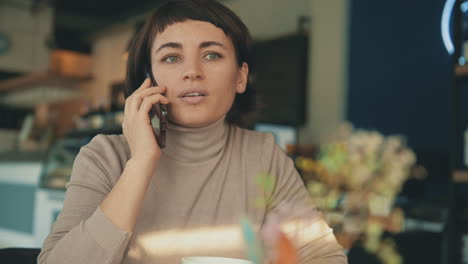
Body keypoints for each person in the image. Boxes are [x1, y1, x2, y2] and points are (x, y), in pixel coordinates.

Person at [38, 0, 347, 263]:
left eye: (211, 54)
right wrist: (142, 162)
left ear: (241, 77)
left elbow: (325, 257)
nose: (192, 71)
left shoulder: (264, 155)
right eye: (171, 57)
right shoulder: (104, 156)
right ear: (148, 81)